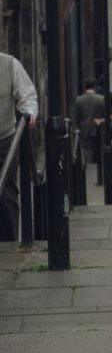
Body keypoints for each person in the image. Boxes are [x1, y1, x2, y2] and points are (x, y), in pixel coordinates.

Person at [0, 53, 38, 240]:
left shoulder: (9, 64)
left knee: (7, 190)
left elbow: (27, 95)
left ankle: (9, 240)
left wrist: (29, 113)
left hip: (4, 138)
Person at [73, 78, 106, 186]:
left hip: (84, 129)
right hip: (98, 128)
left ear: (85, 87)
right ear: (94, 86)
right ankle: (98, 171)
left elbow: (76, 116)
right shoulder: (101, 99)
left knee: (86, 151)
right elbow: (104, 114)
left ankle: (87, 170)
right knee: (98, 149)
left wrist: (77, 126)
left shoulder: (79, 100)